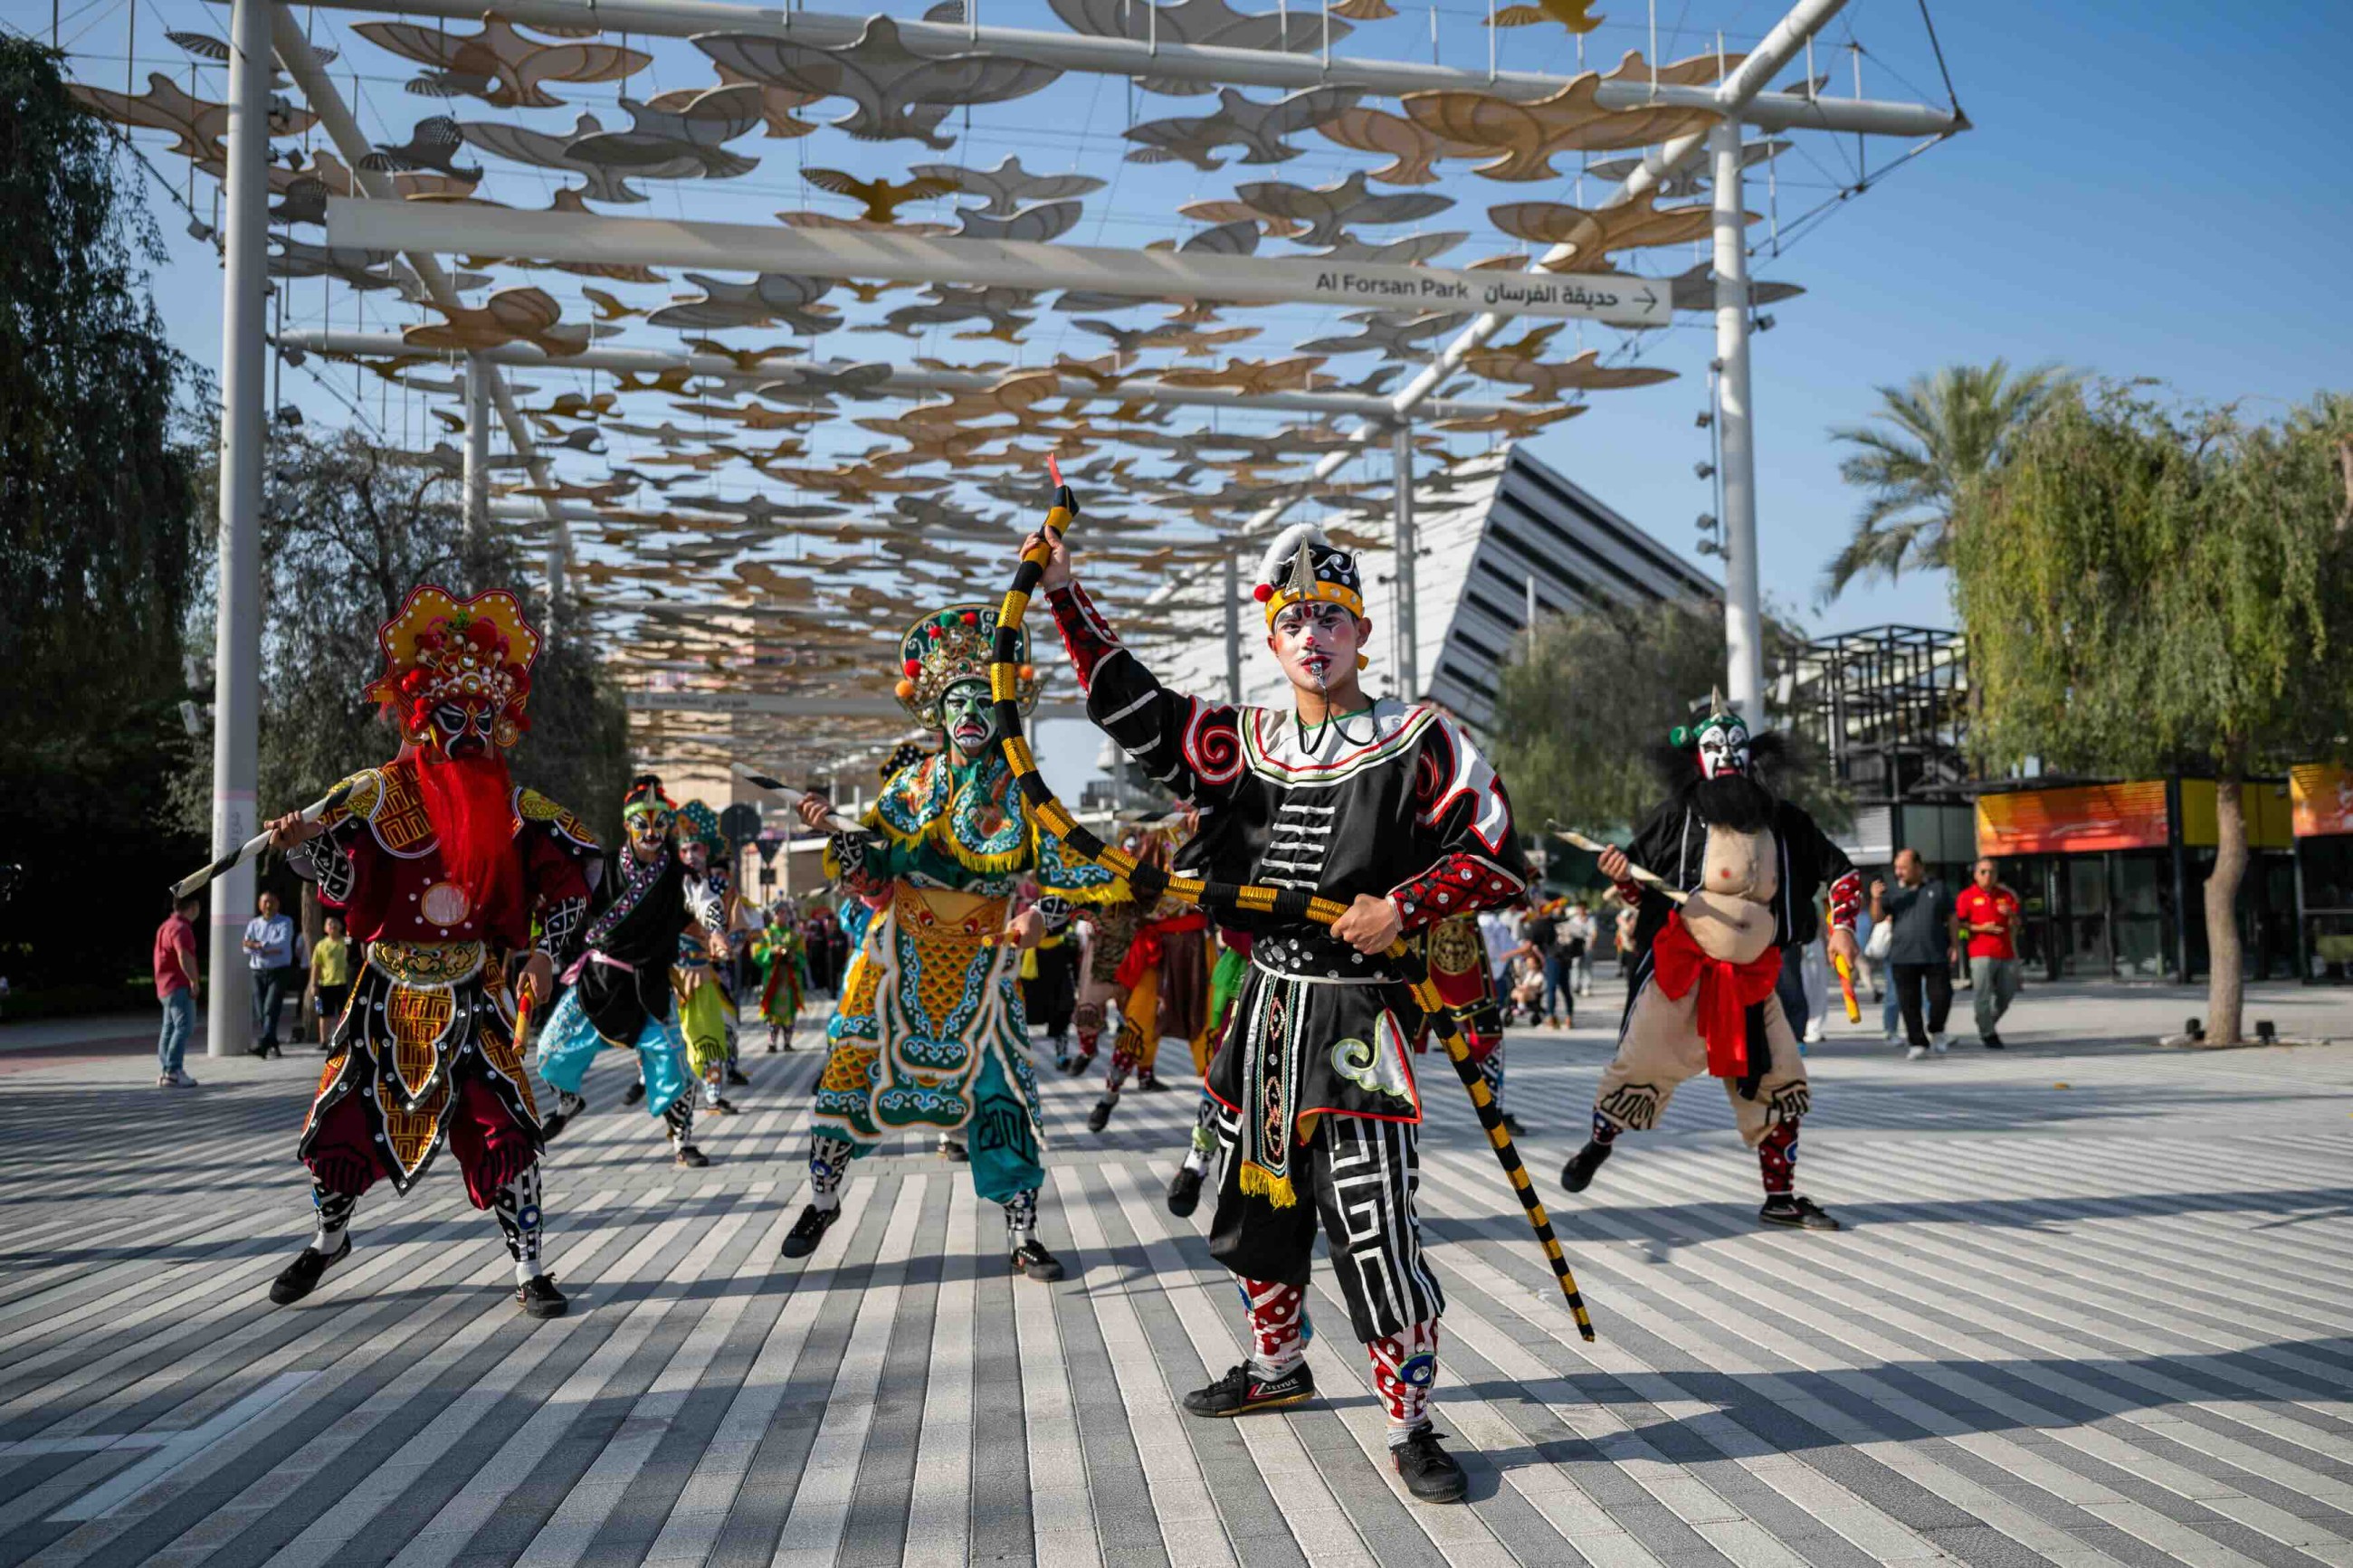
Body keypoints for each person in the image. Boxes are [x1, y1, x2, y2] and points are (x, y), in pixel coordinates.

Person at [1039, 513, 1528, 1505]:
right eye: (1294, 620)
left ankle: (1409, 1420)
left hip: (1358, 1021)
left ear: (1361, 632)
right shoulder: (1244, 744)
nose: (1313, 636)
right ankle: (1276, 1365)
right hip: (1264, 1013)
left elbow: (1494, 853)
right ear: (1271, 638)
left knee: (1374, 1223)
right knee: (1255, 1210)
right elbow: (1136, 708)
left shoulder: (1419, 737)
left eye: (1330, 618)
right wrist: (1062, 593)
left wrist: (1402, 905)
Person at [262, 584, 599, 1317]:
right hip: (386, 991)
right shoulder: (379, 794)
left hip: (474, 989)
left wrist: (545, 954)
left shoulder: (514, 808)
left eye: (484, 719)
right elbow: (348, 885)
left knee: (507, 1126)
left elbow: (571, 881)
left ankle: (529, 1267)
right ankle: (329, 1239)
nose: (470, 734)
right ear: (422, 718)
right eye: (454, 717)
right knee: (339, 1122)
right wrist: (305, 842)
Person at [781, 600, 1120, 1277]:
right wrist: (838, 837)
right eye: (956, 701)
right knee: (848, 1075)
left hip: (984, 965)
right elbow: (872, 873)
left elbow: (1076, 879)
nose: (969, 713)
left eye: (983, 700)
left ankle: (1023, 1232)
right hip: (896, 961)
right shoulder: (906, 789)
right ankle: (822, 1197)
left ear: (1004, 711)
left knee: (1003, 1096)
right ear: (937, 713)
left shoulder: (1026, 793)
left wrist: (1042, 918)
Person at [1561, 698, 1860, 1231]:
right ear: (1697, 759)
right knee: (1639, 1068)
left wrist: (1843, 928)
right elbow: (1639, 889)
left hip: (1751, 979)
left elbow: (1842, 874)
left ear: (1752, 756)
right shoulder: (1676, 818)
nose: (1727, 757)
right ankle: (1600, 1143)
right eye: (1714, 748)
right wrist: (1622, 875)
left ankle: (1780, 1199)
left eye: (1736, 747)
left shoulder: (1784, 821)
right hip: (1682, 973)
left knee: (1781, 1079)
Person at [537, 774, 727, 1167]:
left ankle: (682, 1141)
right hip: (598, 980)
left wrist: (716, 930)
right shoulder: (598, 867)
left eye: (661, 823)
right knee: (550, 1048)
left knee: (672, 1062)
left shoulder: (679, 876)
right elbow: (567, 900)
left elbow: (705, 901)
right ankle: (568, 1102)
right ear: (627, 824)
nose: (653, 832)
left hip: (649, 984)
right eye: (643, 823)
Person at [1872, 849, 1957, 1060]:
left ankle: (1937, 1029)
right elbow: (1877, 918)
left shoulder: (1938, 888)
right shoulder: (1893, 891)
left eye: (1903, 868)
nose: (1898, 872)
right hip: (1902, 956)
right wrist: (1875, 899)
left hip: (1935, 953)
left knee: (1942, 996)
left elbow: (1952, 917)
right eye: (1896, 868)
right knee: (1909, 1002)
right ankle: (1917, 1043)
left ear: (1919, 867)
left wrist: (1955, 945)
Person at [1955, 856, 2023, 1049]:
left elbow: (2018, 923)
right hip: (1980, 952)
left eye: (1991, 872)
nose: (1987, 875)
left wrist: (2010, 914)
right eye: (1983, 872)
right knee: (1983, 994)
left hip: (2006, 951)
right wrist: (1981, 928)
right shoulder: (1966, 896)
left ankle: (1985, 1020)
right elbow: (1959, 923)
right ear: (1975, 875)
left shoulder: (2006, 895)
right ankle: (1988, 1033)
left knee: (2006, 993)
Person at [154, 894, 202, 1088]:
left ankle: (166, 1071)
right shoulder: (182, 928)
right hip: (179, 984)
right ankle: (174, 1071)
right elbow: (184, 956)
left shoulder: (166, 926)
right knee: (184, 1027)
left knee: (169, 1028)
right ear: (193, 906)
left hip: (165, 985)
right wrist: (194, 981)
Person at [752, 897, 810, 1051]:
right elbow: (756, 955)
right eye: (780, 912)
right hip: (772, 978)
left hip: (789, 979)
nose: (783, 916)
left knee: (790, 1010)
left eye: (786, 913)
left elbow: (802, 957)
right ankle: (772, 1042)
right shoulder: (766, 935)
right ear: (773, 915)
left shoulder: (795, 936)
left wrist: (794, 957)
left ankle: (787, 1042)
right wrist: (771, 952)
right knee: (771, 1010)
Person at [242, 890, 295, 1058]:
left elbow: (282, 944)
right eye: (265, 902)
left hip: (278, 971)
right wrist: (264, 947)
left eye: (271, 902)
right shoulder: (253, 924)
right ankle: (273, 1043)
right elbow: (245, 947)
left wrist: (257, 945)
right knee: (260, 1011)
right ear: (259, 905)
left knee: (270, 1008)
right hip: (257, 971)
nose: (268, 905)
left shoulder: (285, 922)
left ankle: (263, 1045)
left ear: (277, 904)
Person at [308, 914, 351, 1048]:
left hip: (343, 983)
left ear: (341, 926)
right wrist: (313, 984)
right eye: (329, 923)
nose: (332, 925)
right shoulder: (321, 945)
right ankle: (323, 1041)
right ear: (325, 928)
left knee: (344, 1014)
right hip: (325, 984)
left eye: (335, 922)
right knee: (324, 1014)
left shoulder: (346, 942)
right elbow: (316, 966)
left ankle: (345, 1039)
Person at [1564, 900, 1597, 998]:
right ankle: (1575, 986)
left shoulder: (1591, 919)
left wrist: (1592, 943)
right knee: (1575, 965)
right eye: (1578, 909)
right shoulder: (1573, 920)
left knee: (1587, 966)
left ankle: (1586, 987)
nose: (1580, 911)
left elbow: (1594, 932)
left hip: (1587, 944)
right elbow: (1568, 932)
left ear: (1585, 909)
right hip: (1576, 945)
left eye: (1582, 909)